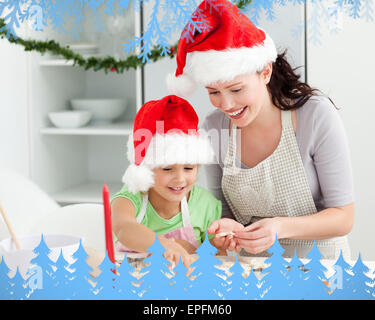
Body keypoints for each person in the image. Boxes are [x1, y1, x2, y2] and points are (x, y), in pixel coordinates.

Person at [166, 0, 354, 259]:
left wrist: (279, 228)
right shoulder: (212, 128)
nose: (227, 104)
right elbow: (221, 211)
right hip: (253, 268)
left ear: (265, 72)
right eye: (213, 92)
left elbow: (343, 217)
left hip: (322, 268)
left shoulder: (315, 115)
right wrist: (224, 229)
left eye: (236, 89)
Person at [111, 95, 221, 267]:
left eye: (189, 168)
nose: (180, 179)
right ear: (146, 168)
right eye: (167, 169)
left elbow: (218, 260)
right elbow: (123, 227)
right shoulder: (131, 197)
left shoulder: (206, 205)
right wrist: (167, 246)